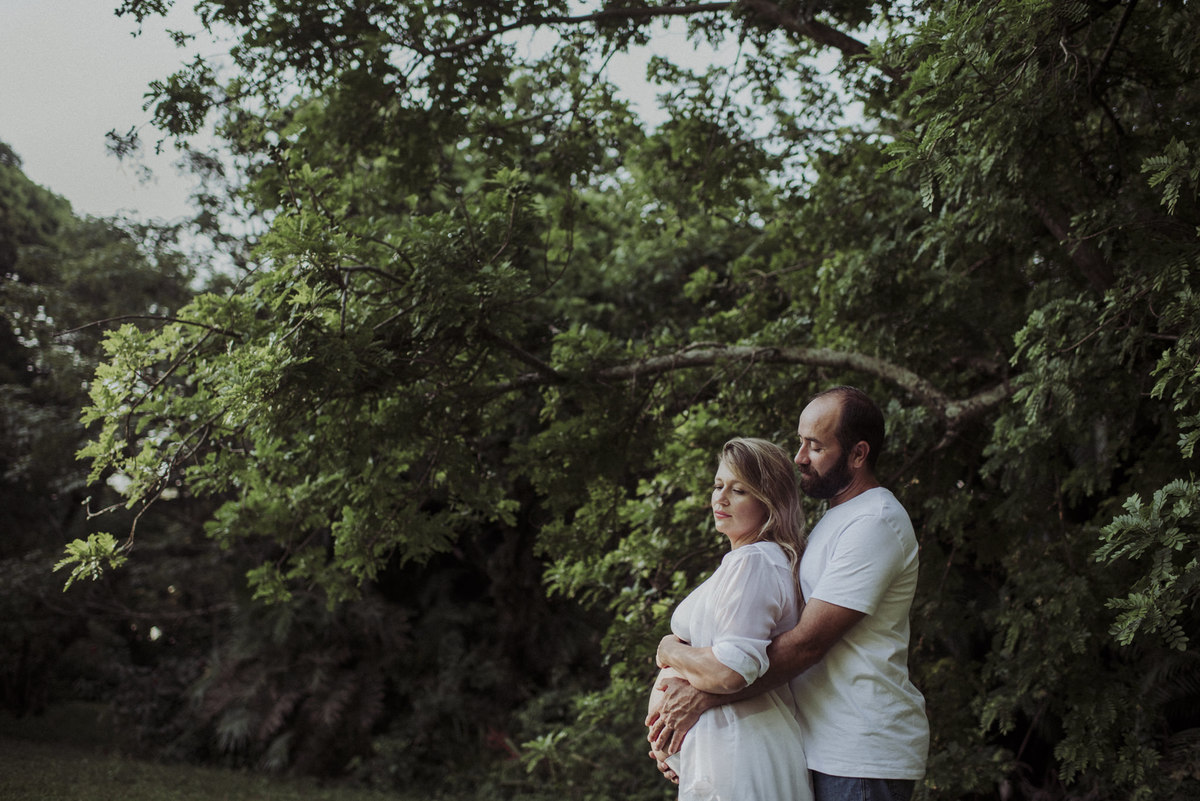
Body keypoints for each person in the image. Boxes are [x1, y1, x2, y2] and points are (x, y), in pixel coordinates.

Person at [647, 387, 929, 801]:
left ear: (858, 454)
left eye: (815, 446)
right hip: (816, 743)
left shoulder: (875, 522)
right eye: (800, 442)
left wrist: (702, 696)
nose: (799, 457)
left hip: (859, 751)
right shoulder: (836, 521)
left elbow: (806, 644)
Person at [648, 437, 813, 801]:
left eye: (738, 490)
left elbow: (730, 671)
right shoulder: (751, 562)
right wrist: (673, 747)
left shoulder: (753, 562)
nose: (720, 499)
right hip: (723, 756)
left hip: (742, 757)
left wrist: (669, 651)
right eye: (718, 486)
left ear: (769, 502)